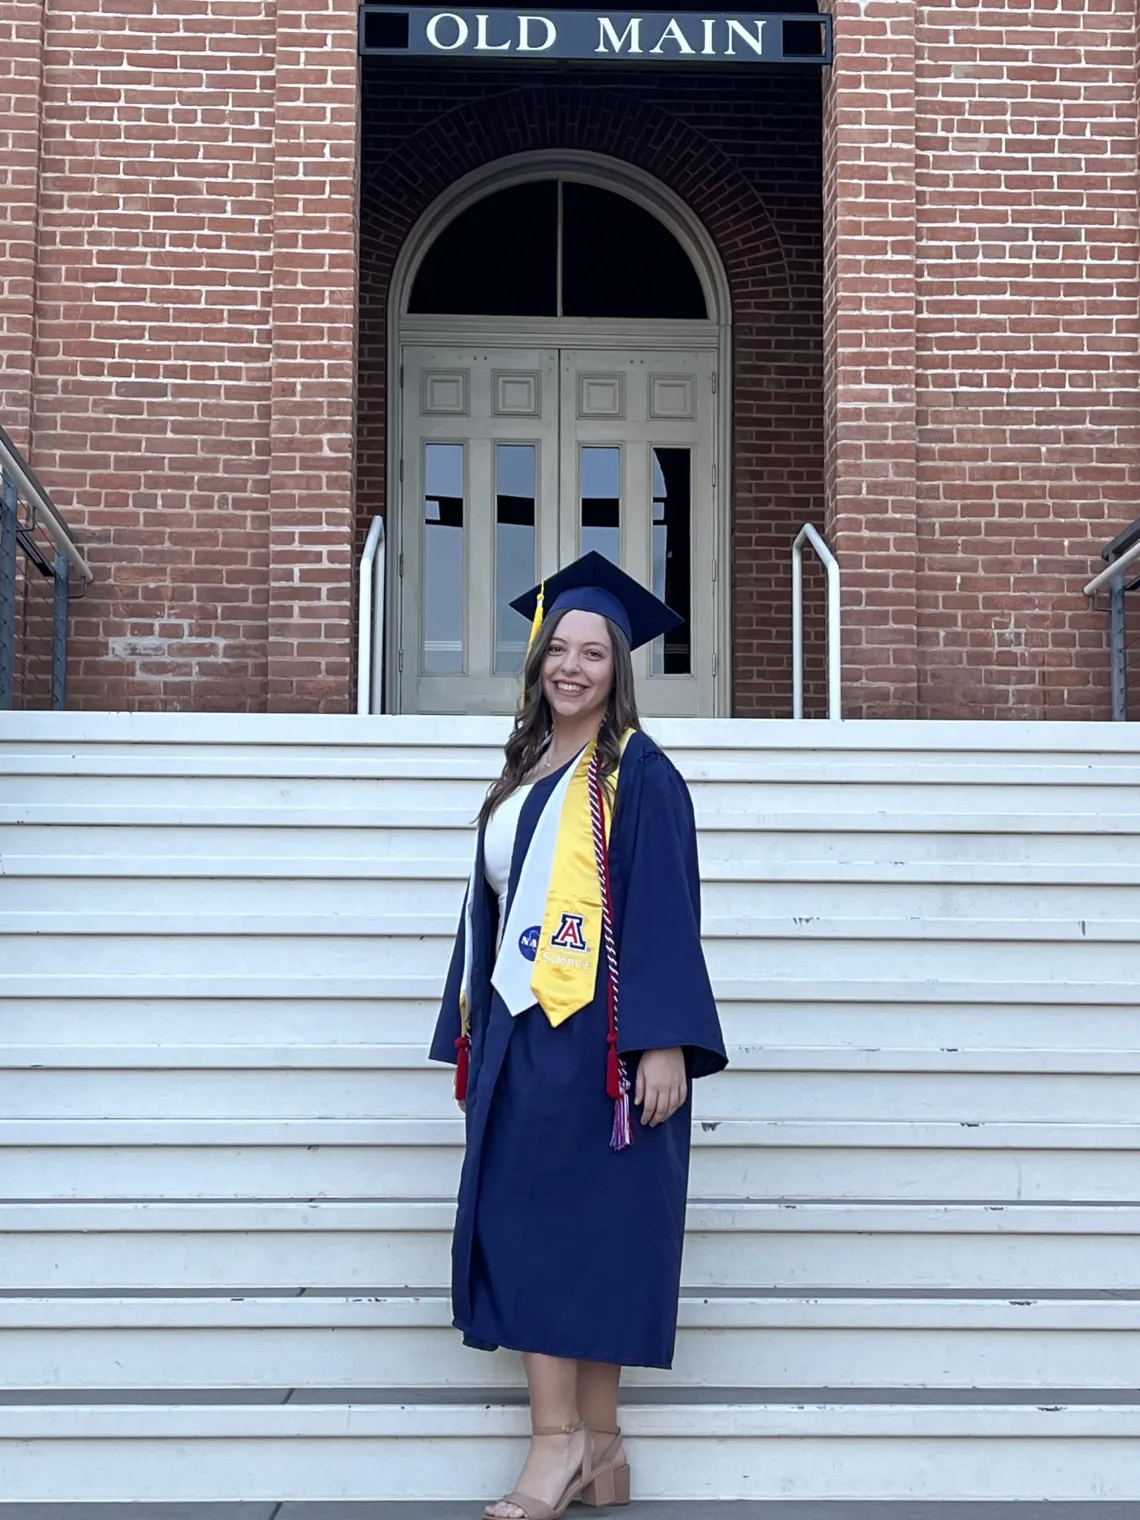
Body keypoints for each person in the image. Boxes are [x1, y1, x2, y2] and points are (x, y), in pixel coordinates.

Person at [430, 551, 727, 1520]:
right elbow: (489, 906)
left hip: (596, 1041)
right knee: (539, 1236)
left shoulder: (639, 773)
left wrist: (664, 1038)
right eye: (557, 647)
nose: (571, 664)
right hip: (522, 1034)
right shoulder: (524, 770)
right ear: (536, 660)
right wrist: (468, 1032)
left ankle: (558, 1447)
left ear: (619, 666)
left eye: (591, 650)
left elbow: (663, 909)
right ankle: (598, 1445)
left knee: (581, 1242)